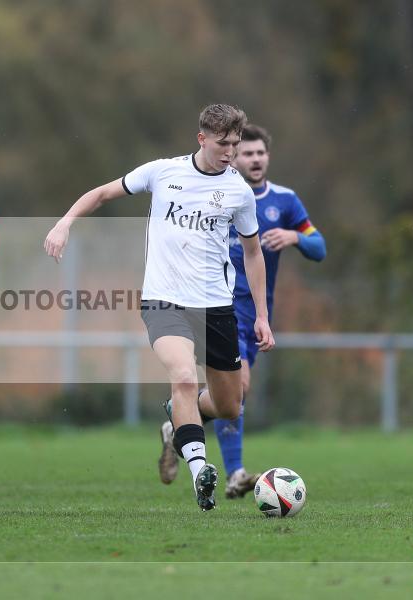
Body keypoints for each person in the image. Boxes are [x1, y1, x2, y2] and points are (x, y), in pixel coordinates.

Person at [45, 104, 275, 511]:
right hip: (163, 301)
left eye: (235, 146)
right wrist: (65, 222)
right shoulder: (162, 172)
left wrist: (261, 316)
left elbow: (253, 253)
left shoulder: (239, 192)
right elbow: (102, 193)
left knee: (229, 406)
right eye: (223, 144)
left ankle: (176, 423)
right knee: (183, 375)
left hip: (216, 307)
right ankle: (200, 472)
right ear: (201, 138)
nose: (230, 153)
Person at [157, 124, 326, 498]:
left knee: (232, 398)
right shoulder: (211, 192)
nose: (253, 159)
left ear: (268, 156)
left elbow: (320, 247)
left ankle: (180, 421)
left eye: (259, 153)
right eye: (246, 153)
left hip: (255, 312)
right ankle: (235, 472)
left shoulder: (284, 202)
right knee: (240, 388)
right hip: (213, 306)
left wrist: (295, 237)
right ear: (233, 156)